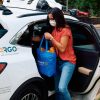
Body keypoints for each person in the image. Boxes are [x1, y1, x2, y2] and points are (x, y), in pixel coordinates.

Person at [44, 7, 76, 100]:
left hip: (68, 62)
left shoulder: (66, 30)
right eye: (49, 19)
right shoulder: (54, 30)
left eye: (52, 19)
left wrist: (51, 38)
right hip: (57, 61)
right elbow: (54, 46)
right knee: (57, 90)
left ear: (58, 18)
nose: (51, 21)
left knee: (62, 88)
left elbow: (62, 48)